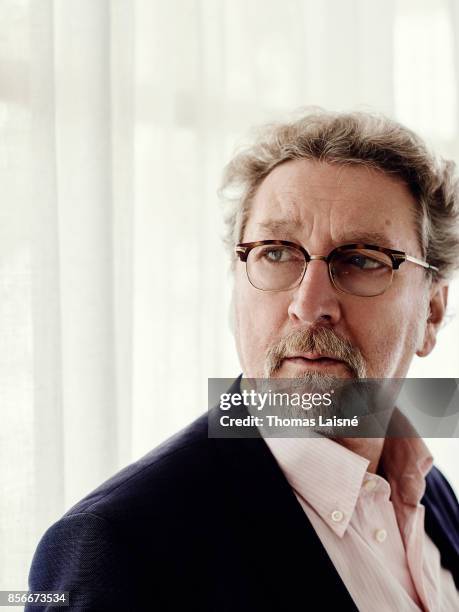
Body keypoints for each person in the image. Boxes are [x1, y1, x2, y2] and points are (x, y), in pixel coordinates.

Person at [27, 111, 459, 611]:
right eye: (276, 253)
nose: (308, 304)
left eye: (361, 259)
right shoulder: (117, 549)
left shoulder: (423, 487)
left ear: (431, 312)